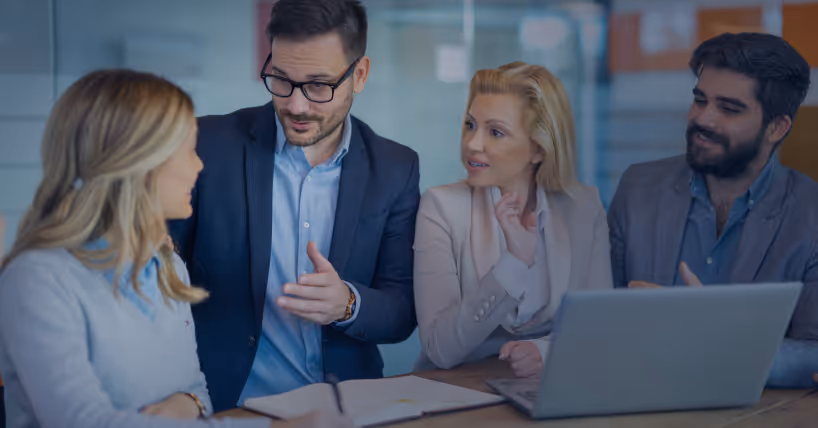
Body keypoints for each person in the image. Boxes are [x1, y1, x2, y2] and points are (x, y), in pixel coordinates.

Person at [0, 70, 352, 428]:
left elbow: (198, 391)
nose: (198, 166)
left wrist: (192, 402)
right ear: (137, 164)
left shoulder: (166, 264)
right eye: (186, 152)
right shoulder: (37, 281)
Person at [169, 0, 419, 411]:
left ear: (360, 75)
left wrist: (348, 304)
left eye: (319, 85)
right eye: (281, 79)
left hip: (344, 408)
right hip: (229, 406)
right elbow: (153, 271)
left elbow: (403, 309)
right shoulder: (207, 145)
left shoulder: (395, 168)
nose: (297, 106)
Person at [608, 32, 818, 387]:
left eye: (729, 108)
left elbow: (813, 354)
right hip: (635, 401)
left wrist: (710, 339)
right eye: (699, 100)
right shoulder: (637, 188)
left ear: (777, 127)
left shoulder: (810, 213)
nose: (703, 119)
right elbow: (596, 321)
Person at [413, 62, 613, 378]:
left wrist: (545, 353)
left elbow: (601, 328)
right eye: (470, 124)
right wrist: (514, 264)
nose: (472, 144)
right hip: (455, 394)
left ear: (538, 148)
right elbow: (440, 348)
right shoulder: (440, 206)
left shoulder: (584, 206)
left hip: (551, 390)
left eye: (495, 132)